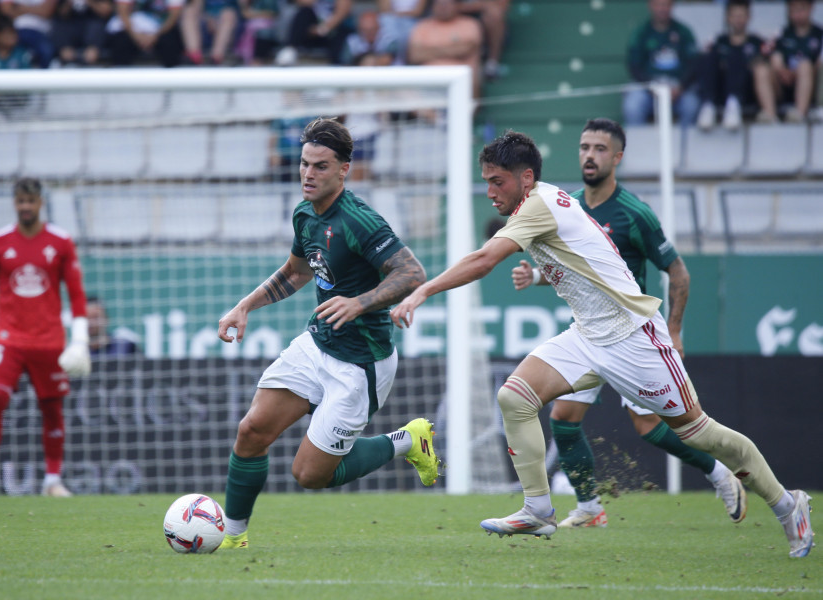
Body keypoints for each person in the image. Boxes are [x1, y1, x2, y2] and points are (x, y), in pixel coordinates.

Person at [390, 130, 814, 558]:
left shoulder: (538, 205)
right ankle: (538, 508)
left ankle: (786, 504)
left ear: (526, 177)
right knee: (515, 397)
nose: (490, 191)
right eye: (486, 181)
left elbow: (483, 259)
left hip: (634, 335)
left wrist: (422, 291)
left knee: (702, 434)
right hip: (588, 333)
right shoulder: (544, 201)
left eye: (497, 181)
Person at [509, 118, 745, 529]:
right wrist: (536, 276)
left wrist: (673, 331)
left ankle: (718, 472)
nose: (589, 155)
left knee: (649, 424)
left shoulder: (635, 213)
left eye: (600, 149)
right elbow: (571, 270)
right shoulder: (567, 205)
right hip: (588, 331)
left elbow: (679, 272)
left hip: (632, 335)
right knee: (563, 417)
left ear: (617, 157)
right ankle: (588, 507)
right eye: (584, 147)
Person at [216, 117, 437, 549]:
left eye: (319, 166)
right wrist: (246, 305)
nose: (308, 174)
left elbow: (413, 273)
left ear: (344, 169)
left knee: (309, 475)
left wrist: (361, 302)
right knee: (251, 431)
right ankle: (232, 536)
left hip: (360, 363)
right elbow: (297, 272)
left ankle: (408, 440)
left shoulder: (359, 220)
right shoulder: (305, 213)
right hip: (316, 345)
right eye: (303, 164)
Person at [0, 178, 91, 497]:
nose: (25, 207)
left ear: (41, 203)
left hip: (48, 340)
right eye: (20, 201)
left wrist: (80, 339)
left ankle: (52, 481)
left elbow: (76, 292)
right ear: (14, 203)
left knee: (52, 409)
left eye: (30, 201)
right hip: (9, 338)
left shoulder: (61, 241)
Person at [696, 0, 778, 130]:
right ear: (727, 17)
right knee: (708, 56)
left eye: (741, 16)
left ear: (749, 17)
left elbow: (770, 72)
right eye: (734, 16)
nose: (738, 20)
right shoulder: (718, 41)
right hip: (721, 89)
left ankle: (734, 103)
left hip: (749, 92)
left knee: (736, 55)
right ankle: (708, 106)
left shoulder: (758, 43)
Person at [623, 0, 701, 126]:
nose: (662, 9)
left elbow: (694, 64)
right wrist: (651, 87)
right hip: (648, 88)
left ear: (672, 6)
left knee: (691, 105)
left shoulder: (683, 31)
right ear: (650, 5)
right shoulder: (641, 32)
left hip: (678, 88)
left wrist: (681, 86)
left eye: (666, 4)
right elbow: (634, 66)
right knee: (633, 105)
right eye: (658, 4)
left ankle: (685, 146)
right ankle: (637, 145)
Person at [407, 0, 484, 98]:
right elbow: (415, 55)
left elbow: (464, 50)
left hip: (460, 82)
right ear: (432, 7)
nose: (443, 7)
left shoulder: (470, 24)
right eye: (439, 4)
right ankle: (431, 113)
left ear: (457, 5)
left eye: (447, 3)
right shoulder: (422, 26)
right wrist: (451, 48)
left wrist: (429, 51)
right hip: (428, 81)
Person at [770, 0, 823, 122]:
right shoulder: (781, 33)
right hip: (785, 83)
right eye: (794, 10)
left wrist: (800, 72)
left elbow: (820, 65)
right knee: (766, 67)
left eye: (801, 9)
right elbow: (775, 57)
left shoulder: (819, 34)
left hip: (810, 84)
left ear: (810, 8)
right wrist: (783, 70)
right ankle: (770, 114)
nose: (797, 15)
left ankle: (799, 114)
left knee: (804, 65)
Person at [106, 0, 185, 67]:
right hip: (132, 30)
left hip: (160, 30)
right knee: (121, 42)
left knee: (170, 42)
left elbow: (173, 16)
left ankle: (172, 81)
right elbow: (122, 12)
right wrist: (136, 35)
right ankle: (121, 80)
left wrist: (155, 35)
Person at [277, 0, 354, 66]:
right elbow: (303, 2)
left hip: (334, 30)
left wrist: (322, 29)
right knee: (304, 13)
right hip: (313, 30)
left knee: (340, 35)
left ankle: (338, 66)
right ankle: (290, 49)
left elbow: (342, 12)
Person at [457, 0, 509, 80]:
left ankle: (492, 64)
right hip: (455, 19)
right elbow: (443, 7)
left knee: (494, 14)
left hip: (485, 25)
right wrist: (483, 5)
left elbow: (502, 7)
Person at [51, 0, 113, 66]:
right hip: (71, 27)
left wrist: (90, 2)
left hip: (92, 29)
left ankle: (93, 51)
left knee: (97, 25)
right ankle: (66, 55)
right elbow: (59, 13)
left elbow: (106, 11)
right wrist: (68, 3)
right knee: (60, 25)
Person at [0, 0, 57, 68]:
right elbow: (6, 11)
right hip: (15, 29)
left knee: (47, 50)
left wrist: (20, 8)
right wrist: (37, 9)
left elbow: (46, 12)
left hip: (41, 33)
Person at [179, 0, 240, 65]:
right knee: (189, 11)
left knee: (228, 15)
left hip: (230, 20)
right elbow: (197, 6)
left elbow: (243, 9)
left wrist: (218, 20)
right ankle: (194, 56)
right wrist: (208, 18)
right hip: (206, 18)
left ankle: (216, 57)